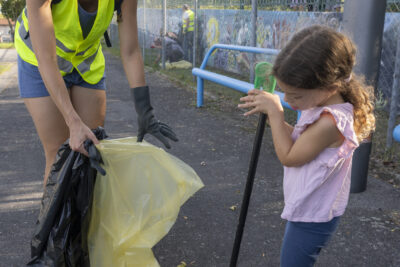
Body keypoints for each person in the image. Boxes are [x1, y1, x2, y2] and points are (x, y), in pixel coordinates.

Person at [238, 25, 375, 266]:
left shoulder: (331, 122)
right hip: (308, 206)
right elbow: (304, 143)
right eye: (284, 93)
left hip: (313, 216)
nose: (288, 101)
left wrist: (276, 113)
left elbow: (290, 156)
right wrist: (275, 118)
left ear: (330, 87)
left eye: (296, 96)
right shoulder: (322, 107)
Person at [14, 0, 178, 186]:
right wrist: (73, 121)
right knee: (58, 156)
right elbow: (46, 58)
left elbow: (130, 51)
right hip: (39, 62)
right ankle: (52, 215)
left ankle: (87, 215)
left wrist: (144, 110)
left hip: (85, 64)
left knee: (92, 149)